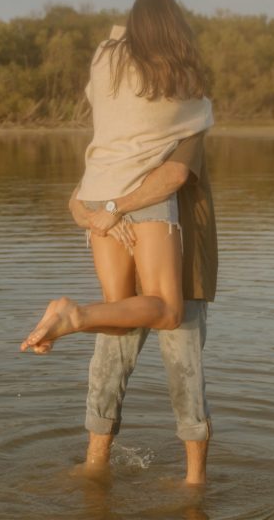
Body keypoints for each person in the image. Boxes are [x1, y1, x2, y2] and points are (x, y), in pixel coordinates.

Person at [20, 0, 217, 481]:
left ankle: (94, 468)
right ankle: (194, 484)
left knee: (115, 336)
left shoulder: (107, 70)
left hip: (97, 199)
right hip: (161, 231)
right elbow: (171, 179)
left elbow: (113, 45)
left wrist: (94, 208)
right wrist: (119, 208)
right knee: (176, 338)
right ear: (176, 33)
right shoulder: (184, 93)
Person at [69, 130, 217, 485]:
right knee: (106, 373)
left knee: (185, 379)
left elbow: (172, 177)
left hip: (184, 278)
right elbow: (76, 200)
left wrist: (114, 208)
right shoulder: (123, 135)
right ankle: (95, 463)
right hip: (127, 285)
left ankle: (194, 482)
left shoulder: (186, 128)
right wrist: (97, 217)